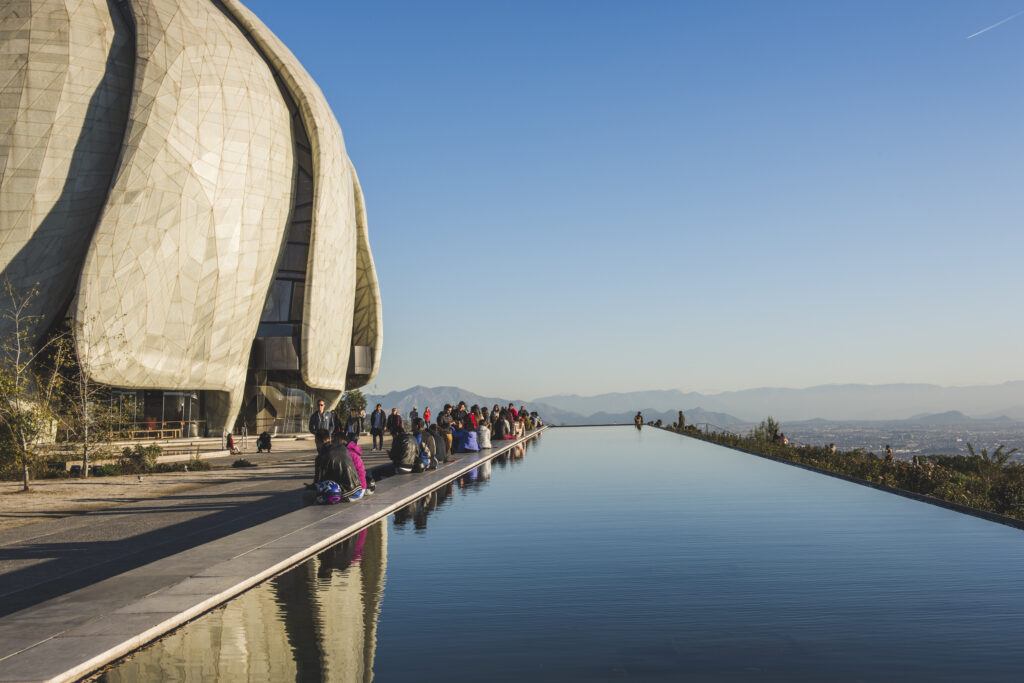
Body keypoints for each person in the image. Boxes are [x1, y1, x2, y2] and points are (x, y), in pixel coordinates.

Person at [313, 430, 362, 501]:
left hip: (346, 493)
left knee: (307, 495)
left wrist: (311, 487)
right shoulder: (342, 448)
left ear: (317, 441)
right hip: (358, 490)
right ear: (329, 439)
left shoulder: (321, 457)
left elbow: (318, 482)